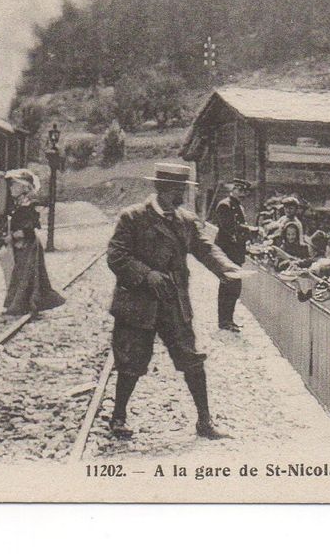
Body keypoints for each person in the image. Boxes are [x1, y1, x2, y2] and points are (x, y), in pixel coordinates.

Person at [106, 163, 243, 440]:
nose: (179, 196)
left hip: (173, 302)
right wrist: (146, 275)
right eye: (175, 191)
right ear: (160, 189)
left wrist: (228, 269)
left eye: (182, 190)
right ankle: (118, 417)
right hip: (137, 304)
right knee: (130, 363)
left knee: (191, 360)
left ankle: (205, 422)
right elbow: (116, 256)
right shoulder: (132, 217)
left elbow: (205, 248)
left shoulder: (185, 220)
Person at [2, 169, 66, 316]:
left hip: (28, 245)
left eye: (13, 185)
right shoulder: (19, 203)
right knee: (21, 273)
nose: (11, 188)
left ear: (24, 187)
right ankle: (19, 303)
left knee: (25, 274)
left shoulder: (29, 204)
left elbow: (30, 228)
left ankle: (20, 305)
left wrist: (13, 236)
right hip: (22, 244)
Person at [213, 178, 257, 332]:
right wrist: (249, 230)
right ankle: (224, 321)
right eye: (239, 190)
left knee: (234, 288)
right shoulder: (225, 206)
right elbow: (229, 228)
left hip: (235, 252)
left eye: (244, 191)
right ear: (233, 189)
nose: (242, 194)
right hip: (227, 252)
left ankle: (228, 319)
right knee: (228, 287)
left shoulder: (237, 206)